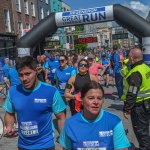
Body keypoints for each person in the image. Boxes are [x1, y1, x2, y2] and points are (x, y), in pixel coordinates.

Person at [3, 56, 66, 150]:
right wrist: (9, 127)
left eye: (28, 74)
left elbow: (61, 117)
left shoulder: (51, 91)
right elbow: (9, 113)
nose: (24, 78)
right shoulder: (13, 92)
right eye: (21, 75)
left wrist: (64, 143)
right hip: (22, 145)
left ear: (36, 71)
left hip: (45, 145)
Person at [59, 81, 131, 150]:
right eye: (91, 98)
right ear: (82, 99)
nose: (96, 102)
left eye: (99, 98)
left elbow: (122, 148)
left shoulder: (114, 121)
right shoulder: (70, 124)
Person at [123, 48, 150, 150]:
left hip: (139, 106)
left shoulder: (135, 72)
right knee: (145, 129)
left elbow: (132, 92)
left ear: (131, 58)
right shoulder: (146, 67)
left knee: (141, 131)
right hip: (147, 102)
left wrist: (127, 108)